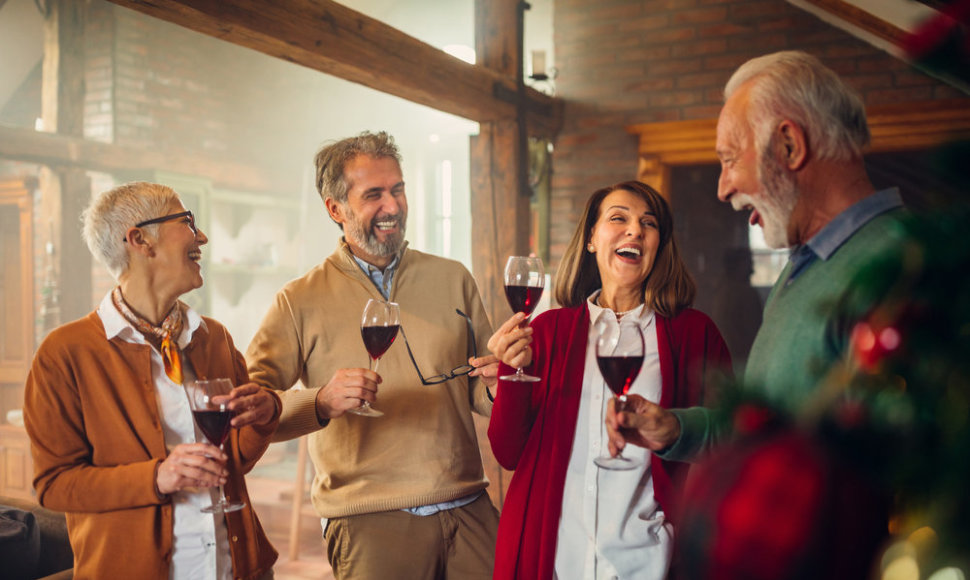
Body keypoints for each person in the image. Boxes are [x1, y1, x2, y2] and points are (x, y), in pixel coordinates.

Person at [608, 50, 908, 457]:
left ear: (788, 144)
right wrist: (676, 429)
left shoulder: (903, 266)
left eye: (730, 159)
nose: (722, 188)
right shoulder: (804, 266)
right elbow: (765, 428)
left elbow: (907, 475)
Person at [245, 131, 500, 580]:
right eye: (374, 195)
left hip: (468, 506)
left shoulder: (453, 277)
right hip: (368, 518)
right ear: (335, 209)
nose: (393, 206)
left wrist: (497, 384)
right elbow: (253, 407)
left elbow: (479, 387)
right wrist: (319, 402)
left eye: (398, 189)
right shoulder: (298, 300)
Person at [23, 181, 280, 579]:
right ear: (140, 240)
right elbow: (55, 485)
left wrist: (265, 416)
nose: (202, 237)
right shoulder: (64, 353)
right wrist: (158, 477)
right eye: (187, 223)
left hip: (235, 570)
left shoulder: (213, 338)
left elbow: (234, 460)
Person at [487, 180, 732, 579]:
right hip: (555, 557)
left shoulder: (694, 334)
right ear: (590, 239)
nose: (635, 230)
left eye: (648, 224)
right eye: (619, 218)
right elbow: (508, 452)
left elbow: (727, 442)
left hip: (649, 561)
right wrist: (509, 370)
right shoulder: (548, 331)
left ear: (658, 245)